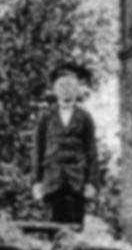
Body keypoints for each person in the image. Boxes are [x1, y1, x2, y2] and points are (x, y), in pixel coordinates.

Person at [28, 60, 101, 231]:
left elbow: (91, 152)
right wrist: (36, 182)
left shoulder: (84, 118)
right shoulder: (46, 117)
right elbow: (37, 151)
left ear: (77, 90)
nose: (66, 89)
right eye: (62, 85)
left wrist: (92, 183)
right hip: (52, 182)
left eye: (70, 85)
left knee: (75, 230)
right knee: (52, 229)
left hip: (76, 183)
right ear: (55, 89)